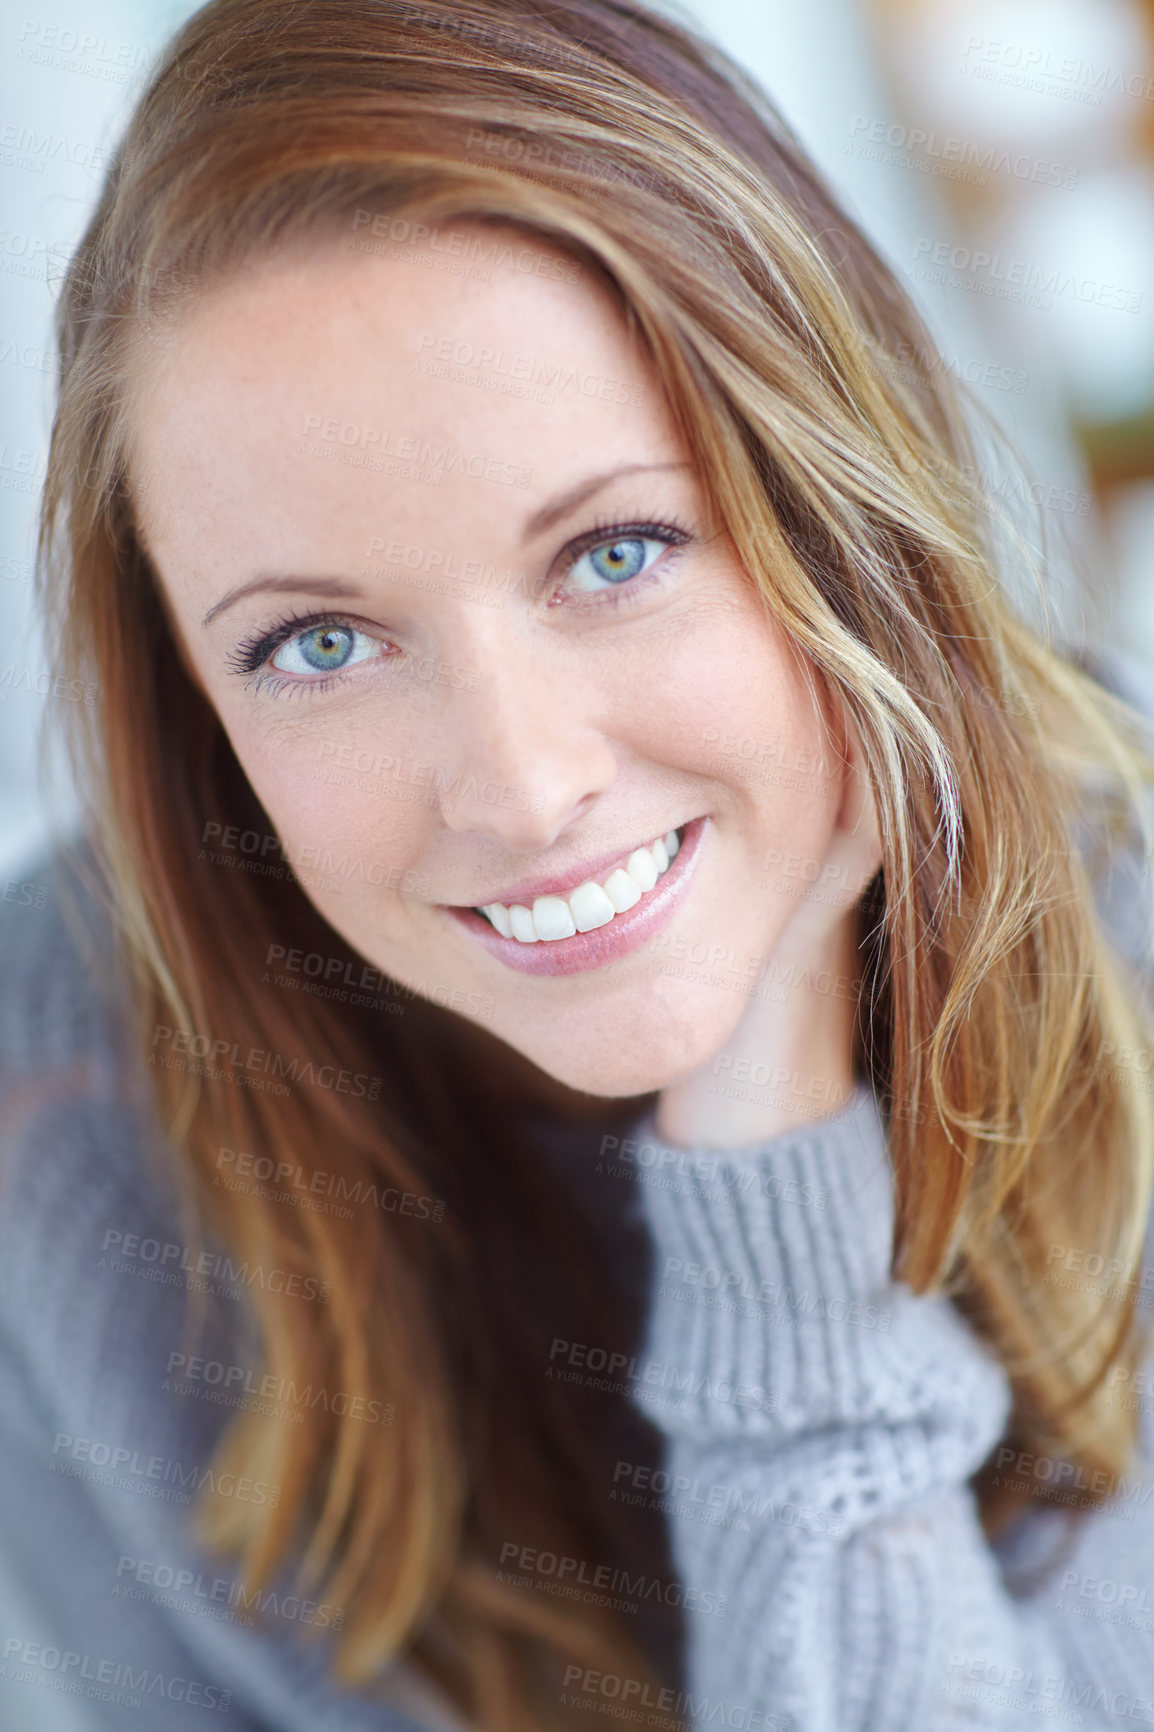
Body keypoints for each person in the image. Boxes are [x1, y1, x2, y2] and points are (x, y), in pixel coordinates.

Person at [3, 0, 1154, 1726]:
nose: (523, 788)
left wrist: (773, 1178)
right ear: (187, 699)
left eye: (615, 550)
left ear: (831, 523)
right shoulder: (64, 1092)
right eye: (317, 645)